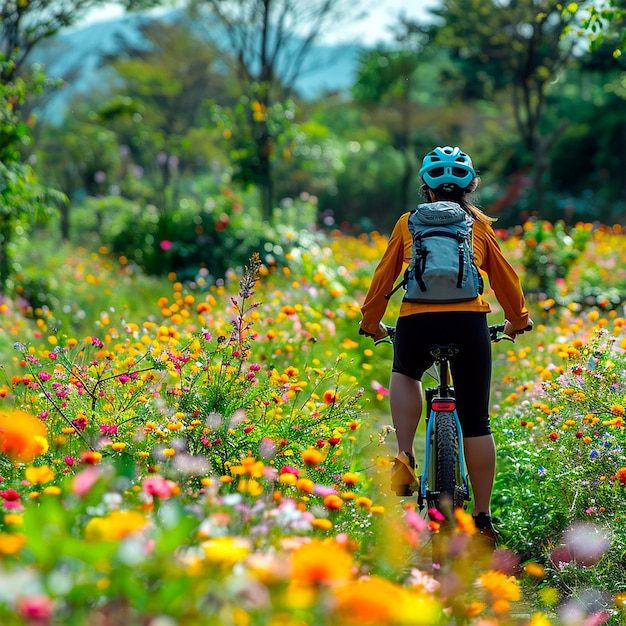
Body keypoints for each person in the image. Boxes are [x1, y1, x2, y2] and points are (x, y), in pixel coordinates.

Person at [359, 145, 531, 545]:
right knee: (477, 423)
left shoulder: (408, 222)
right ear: (471, 186)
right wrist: (518, 320)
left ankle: (405, 453)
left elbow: (383, 279)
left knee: (405, 372)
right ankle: (483, 519)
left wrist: (371, 324)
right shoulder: (478, 225)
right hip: (469, 323)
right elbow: (506, 280)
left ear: (426, 188)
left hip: (416, 321)